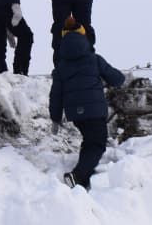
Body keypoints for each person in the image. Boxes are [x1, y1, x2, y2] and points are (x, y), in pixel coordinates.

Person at [51, 16, 126, 190]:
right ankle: (76, 176)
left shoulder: (61, 66)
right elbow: (117, 78)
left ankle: (82, 179)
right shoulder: (94, 59)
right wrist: (114, 80)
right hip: (94, 111)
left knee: (90, 141)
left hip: (76, 114)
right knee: (98, 144)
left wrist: (55, 118)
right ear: (83, 35)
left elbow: (55, 95)